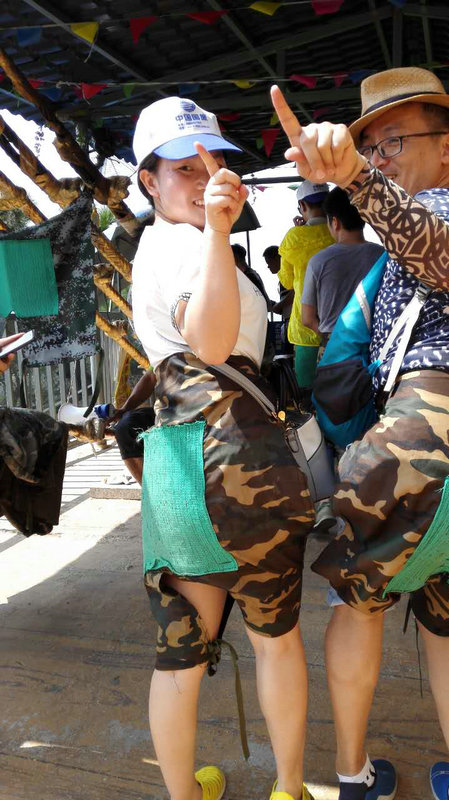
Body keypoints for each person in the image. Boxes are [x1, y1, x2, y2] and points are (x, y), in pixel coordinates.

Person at [272, 66, 449, 800]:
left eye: (393, 142)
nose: (380, 157)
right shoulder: (417, 230)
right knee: (444, 624)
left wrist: (356, 178)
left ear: (447, 146)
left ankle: (354, 777)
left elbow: (439, 253)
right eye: (371, 147)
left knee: (357, 602)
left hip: (424, 441)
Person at [131, 97, 315, 800]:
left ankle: (184, 793)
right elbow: (209, 343)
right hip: (239, 461)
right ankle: (289, 788)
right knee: (276, 640)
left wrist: (215, 232)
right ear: (148, 180)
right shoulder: (186, 244)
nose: (206, 178)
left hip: (180, 463)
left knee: (183, 647)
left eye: (214, 163)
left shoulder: (169, 245)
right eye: (185, 167)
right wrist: (214, 229)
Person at [301, 187, 384, 351]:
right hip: (376, 345)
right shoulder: (383, 256)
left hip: (334, 347)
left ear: (335, 222)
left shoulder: (318, 261)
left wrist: (333, 338)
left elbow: (307, 319)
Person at [278, 181, 334, 391]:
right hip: (340, 328)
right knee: (339, 391)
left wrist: (299, 232)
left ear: (302, 206)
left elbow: (286, 281)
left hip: (305, 330)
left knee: (307, 393)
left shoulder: (294, 238)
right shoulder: (339, 232)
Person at [108, 369, 157, 484]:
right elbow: (150, 377)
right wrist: (124, 410)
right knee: (125, 428)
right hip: (168, 412)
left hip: (197, 412)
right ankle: (150, 491)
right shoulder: (164, 359)